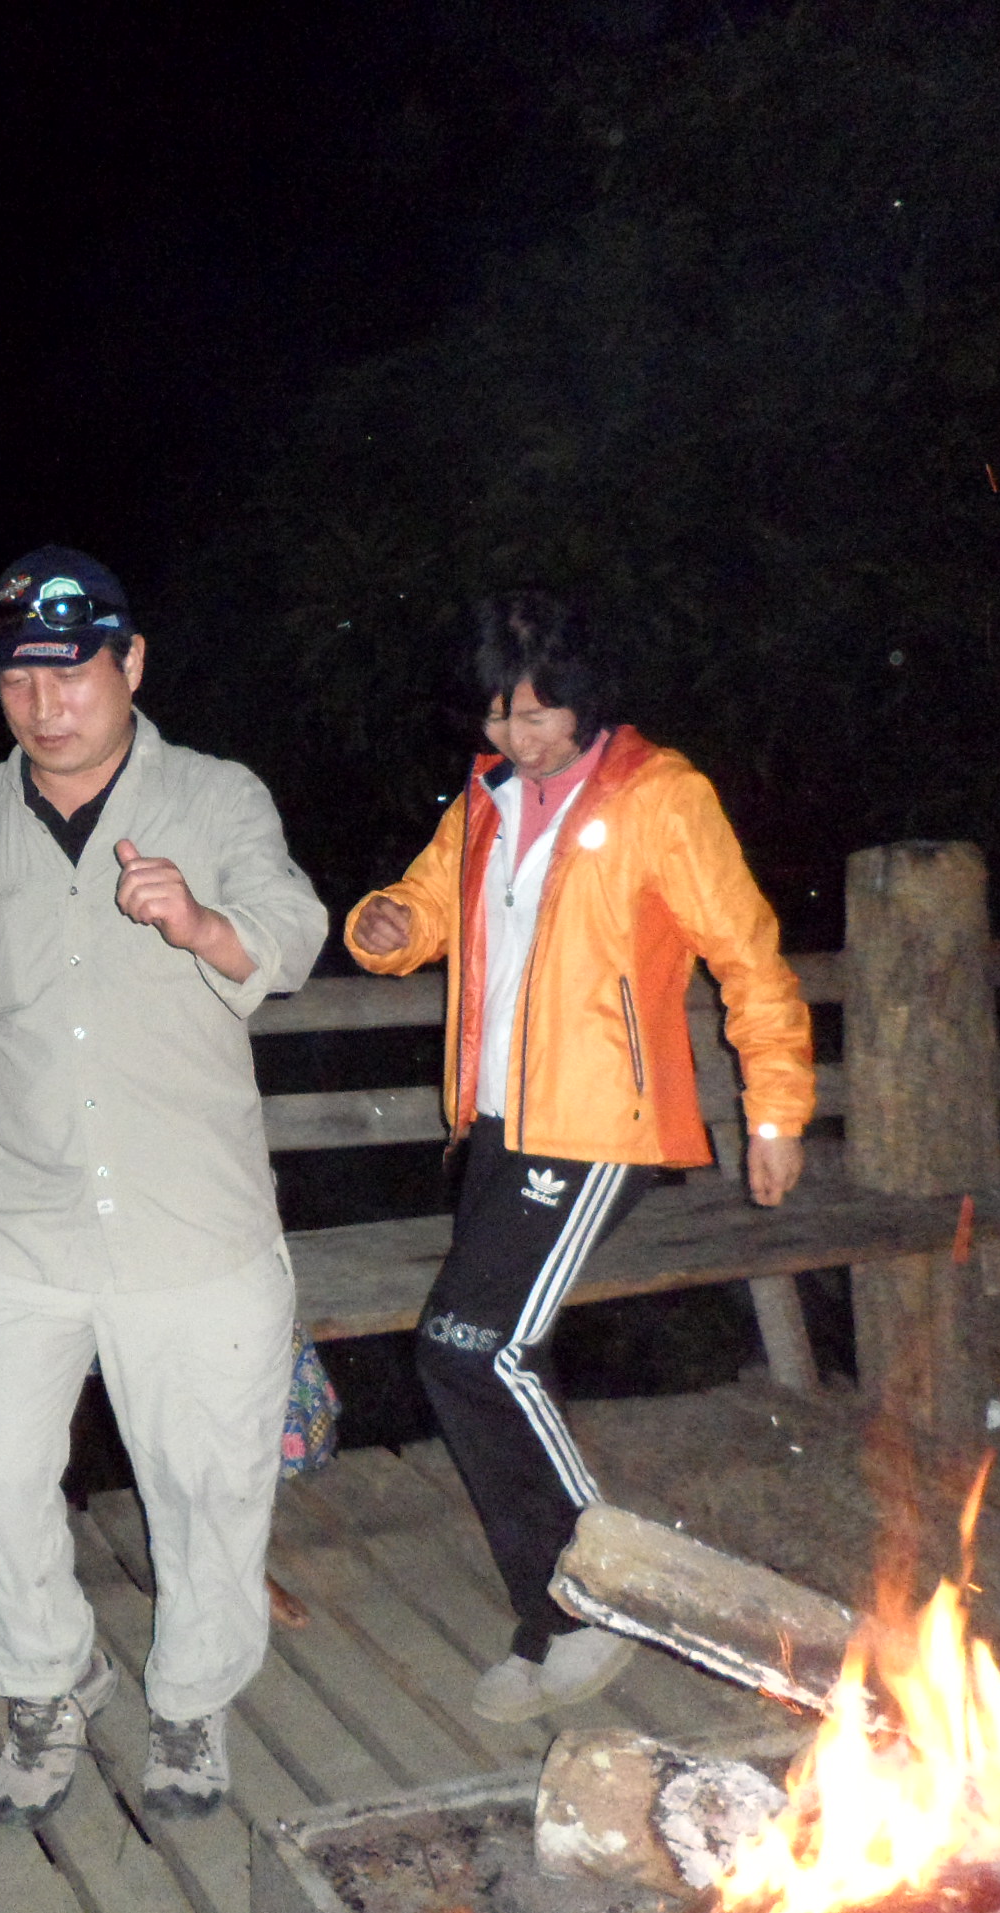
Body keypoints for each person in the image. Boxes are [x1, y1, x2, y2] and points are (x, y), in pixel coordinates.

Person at [0, 546, 328, 1826]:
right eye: (17, 679)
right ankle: (47, 1681)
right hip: (22, 1220)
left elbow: (293, 929)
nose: (42, 703)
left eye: (70, 672)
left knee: (208, 1489)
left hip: (195, 1221)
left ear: (130, 663)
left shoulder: (217, 796)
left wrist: (203, 927)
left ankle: (191, 1703)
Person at [344, 593, 814, 1724]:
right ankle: (554, 1613)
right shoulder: (489, 799)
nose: (515, 737)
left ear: (589, 701)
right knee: (480, 1356)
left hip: (601, 1121)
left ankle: (600, 1598)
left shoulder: (662, 796)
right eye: (497, 715)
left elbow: (747, 954)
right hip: (497, 1120)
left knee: (473, 1346)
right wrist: (388, 925)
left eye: (538, 714)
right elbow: (428, 904)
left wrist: (776, 1111)